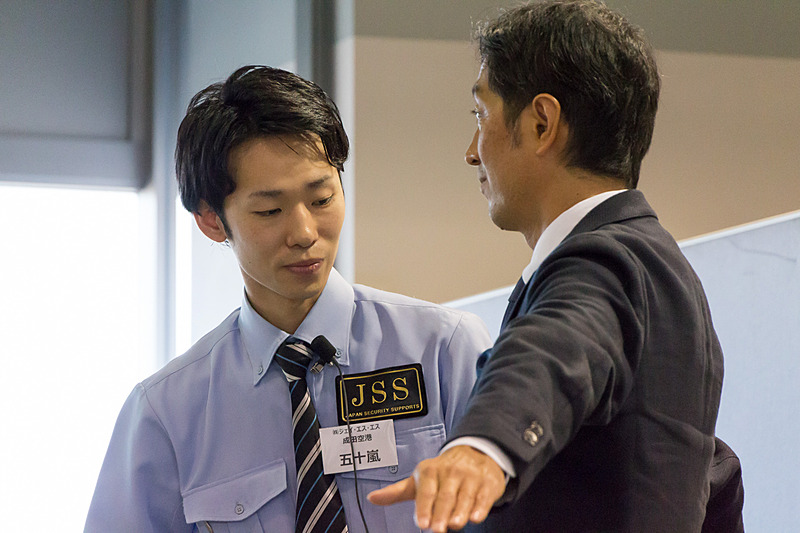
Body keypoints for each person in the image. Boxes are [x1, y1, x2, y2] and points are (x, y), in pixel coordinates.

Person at [369, 1, 733, 531]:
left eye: (480, 115)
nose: (472, 151)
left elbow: (554, 348)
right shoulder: (658, 268)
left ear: (542, 123)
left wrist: (483, 444)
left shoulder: (606, 263)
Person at [84, 65, 491, 532]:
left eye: (321, 199)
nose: (304, 233)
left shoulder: (444, 349)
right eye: (269, 210)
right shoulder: (167, 413)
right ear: (211, 221)